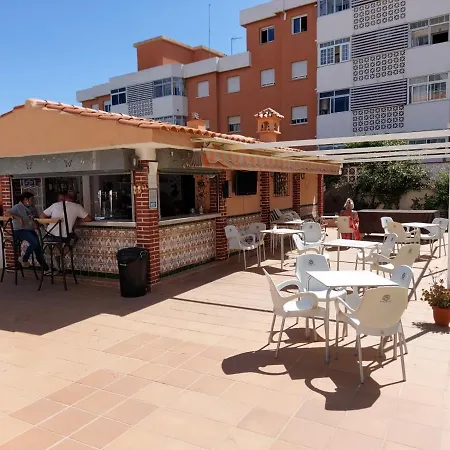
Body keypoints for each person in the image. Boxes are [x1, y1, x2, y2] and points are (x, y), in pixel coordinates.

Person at [5, 192, 50, 271]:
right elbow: (7, 213)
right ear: (26, 199)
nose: (33, 201)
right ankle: (24, 258)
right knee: (35, 242)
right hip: (19, 230)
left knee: (38, 246)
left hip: (30, 230)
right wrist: (19, 218)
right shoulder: (18, 207)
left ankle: (45, 268)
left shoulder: (32, 207)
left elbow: (36, 218)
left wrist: (39, 223)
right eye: (31, 199)